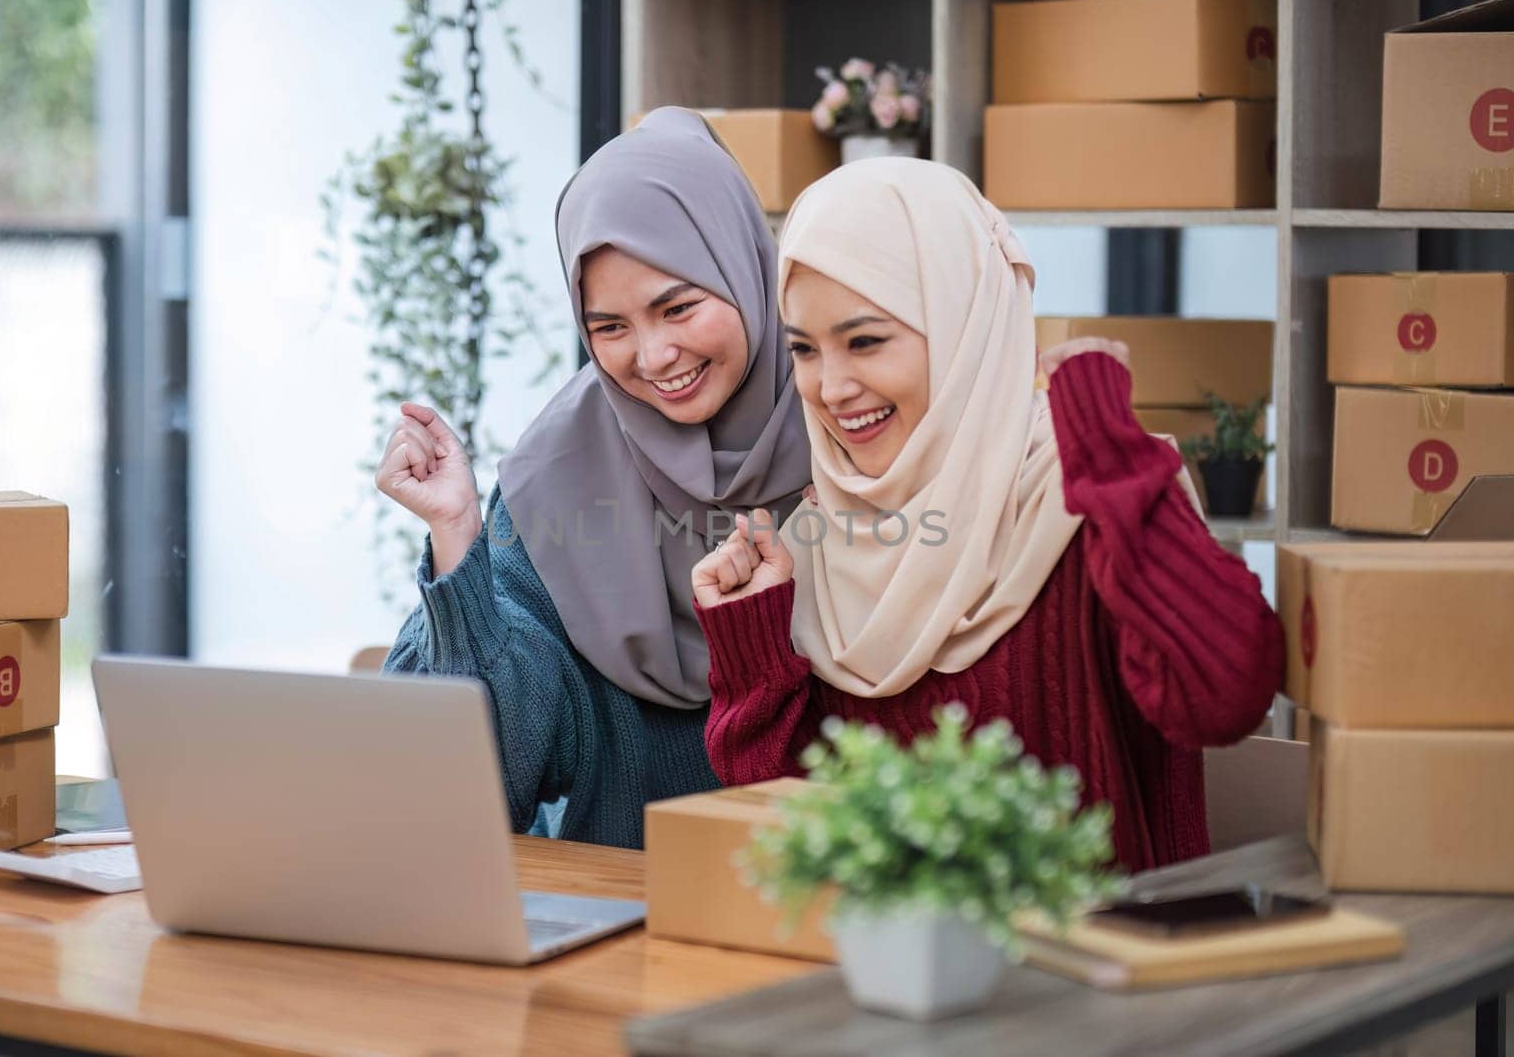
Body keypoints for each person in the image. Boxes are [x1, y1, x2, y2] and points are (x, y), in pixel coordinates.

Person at [690, 158, 1283, 871]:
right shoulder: (816, 539)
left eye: (867, 340)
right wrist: (756, 643)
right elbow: (795, 848)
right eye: (804, 350)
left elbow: (1223, 697)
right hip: (898, 975)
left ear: (966, 324)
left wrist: (1102, 433)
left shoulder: (1096, 494)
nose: (831, 387)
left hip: (1106, 965)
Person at [377, 108, 810, 850]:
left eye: (678, 306)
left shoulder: (848, 426)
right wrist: (457, 535)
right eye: (608, 326)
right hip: (617, 912)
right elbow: (478, 790)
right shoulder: (558, 475)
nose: (654, 355)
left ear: (744, 267)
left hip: (845, 914)